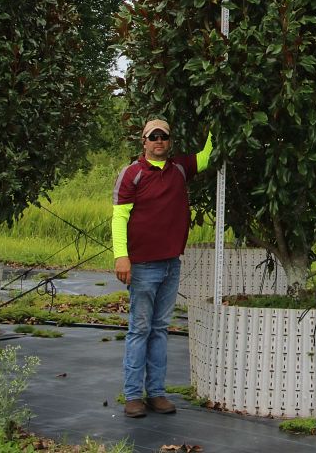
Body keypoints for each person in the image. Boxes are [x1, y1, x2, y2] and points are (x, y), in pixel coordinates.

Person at [112, 117, 213, 418]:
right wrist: (121, 256)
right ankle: (133, 396)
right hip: (142, 266)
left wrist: (218, 116)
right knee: (140, 328)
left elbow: (209, 155)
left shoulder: (180, 169)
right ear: (143, 141)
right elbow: (119, 217)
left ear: (169, 142)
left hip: (171, 264)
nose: (158, 141)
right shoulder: (132, 174)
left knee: (159, 329)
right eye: (153, 136)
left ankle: (156, 393)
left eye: (164, 137)